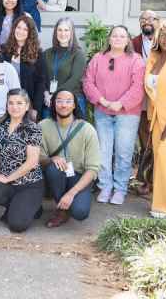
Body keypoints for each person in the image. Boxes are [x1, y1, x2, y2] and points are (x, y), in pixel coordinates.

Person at [83, 25, 145, 205]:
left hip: (127, 113)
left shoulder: (136, 60)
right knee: (103, 151)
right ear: (109, 39)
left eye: (122, 36)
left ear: (127, 40)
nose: (118, 39)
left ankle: (120, 188)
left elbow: (138, 87)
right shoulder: (98, 58)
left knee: (123, 153)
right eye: (115, 36)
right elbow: (88, 82)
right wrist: (102, 100)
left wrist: (120, 103)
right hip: (102, 111)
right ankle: (105, 186)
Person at [0, 89, 44, 233]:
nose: (14, 107)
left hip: (29, 184)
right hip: (8, 183)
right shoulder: (0, 127)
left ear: (27, 106)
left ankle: (33, 207)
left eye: (19, 103)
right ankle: (18, 206)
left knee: (16, 225)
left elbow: (32, 162)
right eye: (11, 103)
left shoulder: (33, 129)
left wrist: (7, 179)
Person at [39, 90, 100, 227]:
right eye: (59, 101)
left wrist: (71, 194)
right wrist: (51, 159)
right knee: (53, 169)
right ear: (53, 104)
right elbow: (37, 156)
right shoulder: (43, 125)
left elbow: (92, 169)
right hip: (55, 176)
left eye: (68, 101)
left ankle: (70, 200)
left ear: (74, 105)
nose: (63, 105)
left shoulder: (87, 129)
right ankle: (61, 210)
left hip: (78, 177)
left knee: (80, 212)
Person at [144, 21, 166, 218]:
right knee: (160, 162)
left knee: (165, 160)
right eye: (164, 35)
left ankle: (165, 207)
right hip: (155, 119)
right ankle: (160, 205)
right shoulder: (153, 58)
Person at [133, 10, 160, 194]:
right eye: (142, 19)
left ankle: (159, 181)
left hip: (161, 101)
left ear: (158, 21)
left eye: (150, 18)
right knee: (145, 142)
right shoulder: (134, 43)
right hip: (141, 102)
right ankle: (147, 180)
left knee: (160, 142)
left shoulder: (165, 41)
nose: (146, 22)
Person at [1, 15, 45, 120]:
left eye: (25, 29)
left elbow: (41, 82)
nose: (21, 31)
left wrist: (36, 108)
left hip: (27, 105)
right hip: (5, 104)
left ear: (30, 33)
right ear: (14, 29)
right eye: (19, 27)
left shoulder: (37, 54)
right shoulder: (4, 50)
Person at [43, 17, 87, 117]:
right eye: (60, 30)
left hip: (71, 100)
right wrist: (46, 93)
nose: (63, 33)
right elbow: (42, 77)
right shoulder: (46, 53)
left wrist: (55, 95)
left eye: (66, 30)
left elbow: (74, 79)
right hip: (49, 100)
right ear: (55, 32)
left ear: (72, 33)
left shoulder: (78, 54)